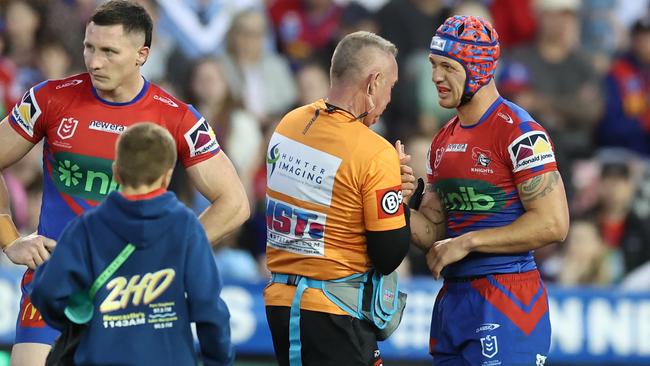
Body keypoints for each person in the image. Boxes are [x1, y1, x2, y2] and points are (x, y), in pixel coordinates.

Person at [0, 1, 249, 364]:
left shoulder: (177, 118)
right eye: (89, 47)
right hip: (55, 287)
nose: (94, 62)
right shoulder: (49, 99)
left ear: (141, 54)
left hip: (132, 296)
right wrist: (10, 239)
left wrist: (168, 254)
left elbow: (235, 203)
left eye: (108, 51)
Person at [404, 15, 570, 365]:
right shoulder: (442, 140)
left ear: (477, 69)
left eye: (447, 67)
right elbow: (433, 233)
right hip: (453, 301)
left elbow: (554, 224)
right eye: (433, 65)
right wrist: (393, 202)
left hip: (508, 298)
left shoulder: (520, 133)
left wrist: (468, 241)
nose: (435, 77)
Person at [30, 122, 234, 365]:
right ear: (167, 176)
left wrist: (79, 321)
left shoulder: (87, 227)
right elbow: (209, 307)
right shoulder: (186, 227)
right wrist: (218, 360)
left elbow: (47, 292)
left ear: (116, 171)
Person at [264, 31, 410, 365]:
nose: (389, 98)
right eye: (391, 85)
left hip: (281, 304)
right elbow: (388, 254)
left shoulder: (288, 125)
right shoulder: (375, 152)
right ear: (373, 84)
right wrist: (400, 198)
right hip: (336, 311)